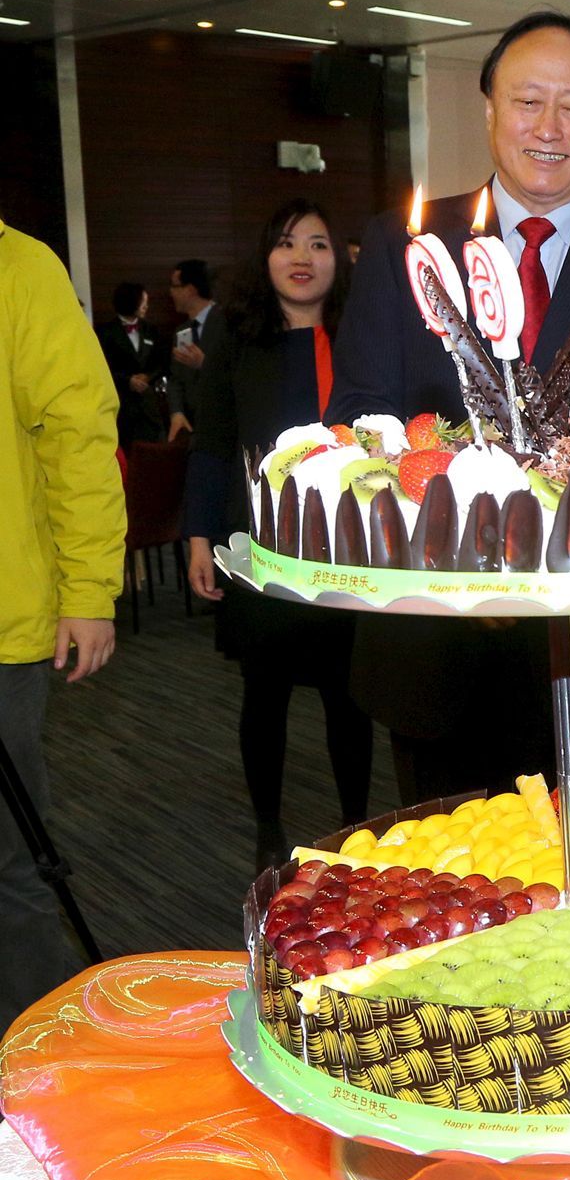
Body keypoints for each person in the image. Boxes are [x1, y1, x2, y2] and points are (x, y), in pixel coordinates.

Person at [328, 10, 570, 803]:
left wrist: (531, 559)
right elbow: (363, 420)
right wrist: (473, 559)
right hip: (431, 636)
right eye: (529, 101)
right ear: (490, 109)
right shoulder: (404, 246)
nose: (550, 127)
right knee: (441, 893)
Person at [185, 200, 373, 870]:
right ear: (265, 258)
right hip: (259, 547)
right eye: (287, 244)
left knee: (349, 698)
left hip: (347, 549)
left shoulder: (361, 339)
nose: (302, 258)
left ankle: (357, 827)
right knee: (262, 694)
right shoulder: (239, 338)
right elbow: (211, 443)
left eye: (318, 244)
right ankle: (269, 828)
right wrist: (199, 535)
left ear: (339, 260)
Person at [0, 213, 122, 1029]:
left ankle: (33, 1066)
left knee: (8, 864)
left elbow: (78, 437)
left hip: (3, 627)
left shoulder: (20, 267)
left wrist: (88, 588)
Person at [97, 280, 170, 447]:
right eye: (143, 302)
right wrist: (127, 380)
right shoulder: (105, 332)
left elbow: (162, 362)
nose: (146, 306)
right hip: (121, 407)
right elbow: (102, 369)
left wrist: (148, 376)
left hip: (149, 407)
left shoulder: (151, 330)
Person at [164, 258, 216, 442]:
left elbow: (241, 372)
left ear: (190, 289)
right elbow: (175, 379)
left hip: (223, 425)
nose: (170, 292)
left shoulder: (229, 323)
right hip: (192, 430)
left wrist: (204, 364)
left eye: (174, 286)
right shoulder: (181, 331)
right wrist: (176, 412)